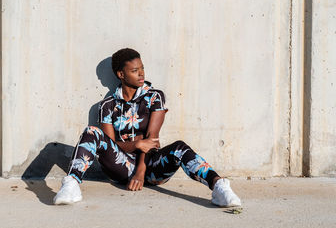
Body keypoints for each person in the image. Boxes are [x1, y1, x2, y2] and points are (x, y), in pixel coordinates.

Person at [53, 48, 241, 207]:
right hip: (121, 167)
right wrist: (136, 145)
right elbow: (109, 145)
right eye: (135, 70)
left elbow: (152, 138)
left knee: (180, 147)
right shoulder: (107, 105)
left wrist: (140, 172)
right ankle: (71, 184)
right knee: (91, 133)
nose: (141, 73)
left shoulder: (154, 97)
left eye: (142, 68)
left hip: (151, 167)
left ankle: (218, 186)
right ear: (121, 74)